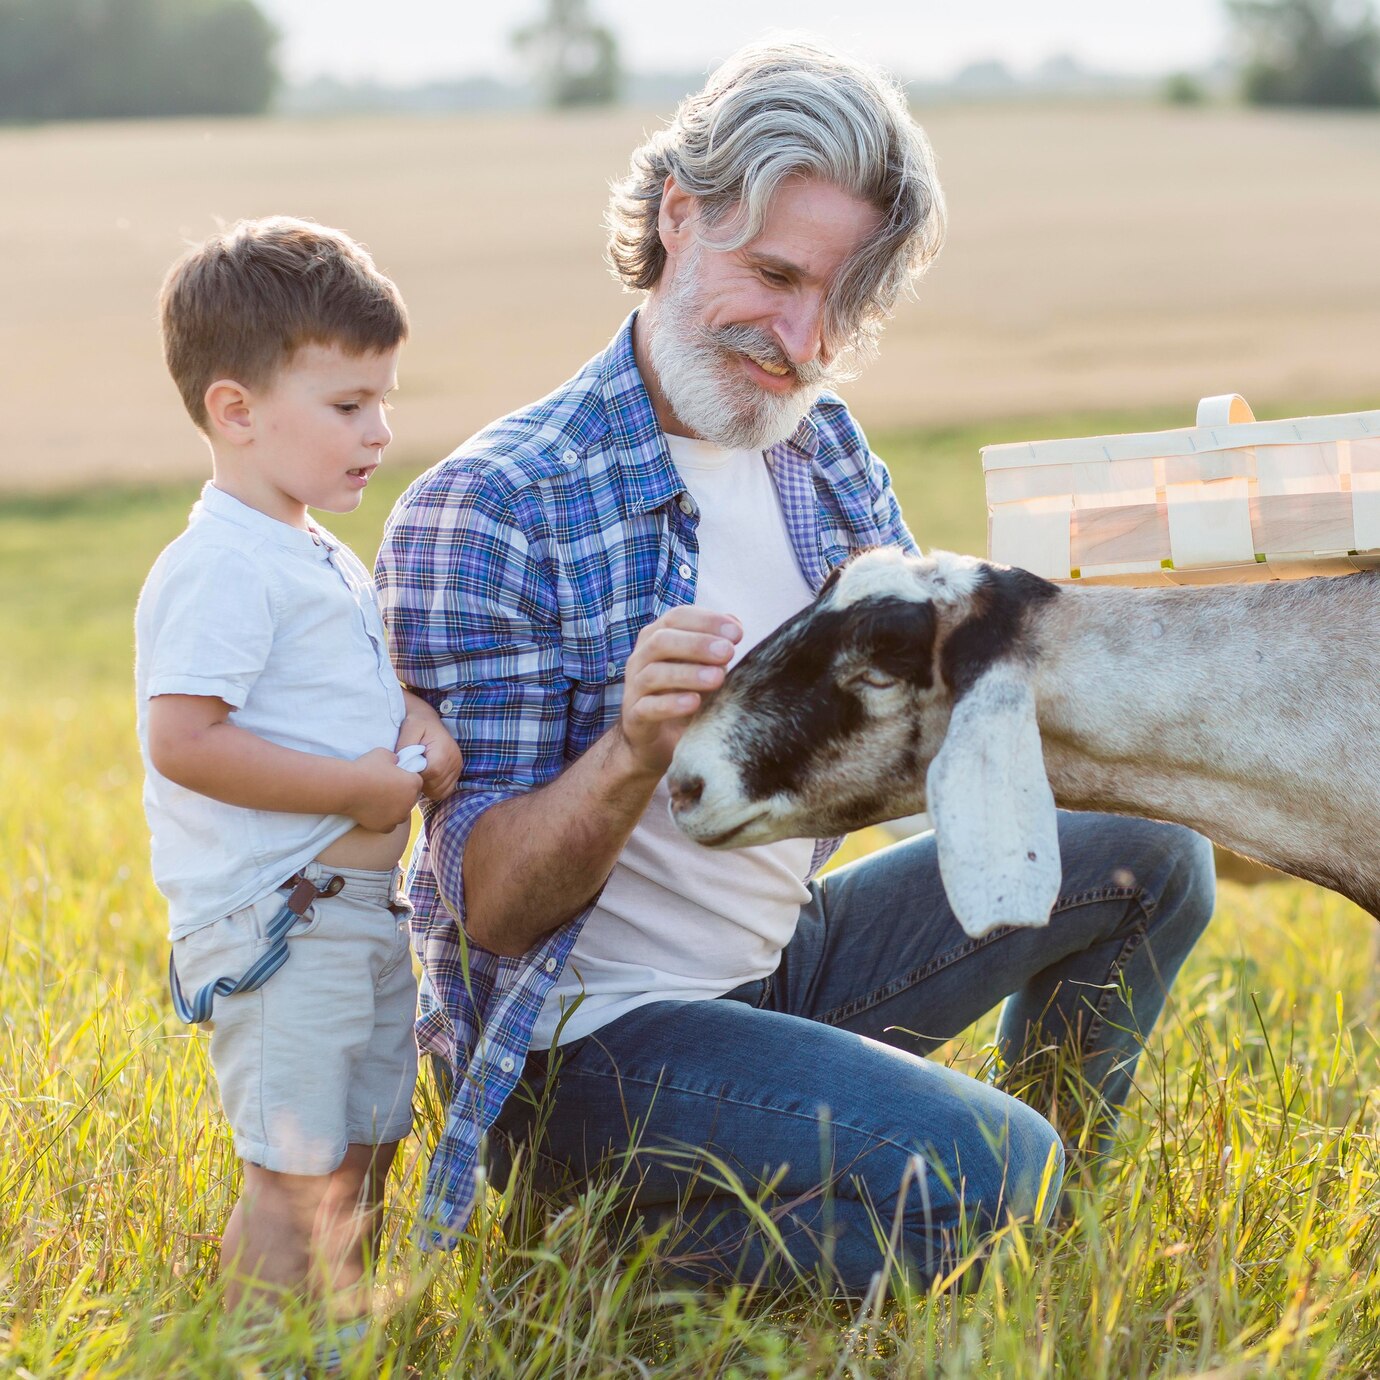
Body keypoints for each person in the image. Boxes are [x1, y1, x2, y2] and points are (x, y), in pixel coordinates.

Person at [377, 40, 1215, 1292]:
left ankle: (1041, 1248)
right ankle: (588, 1269)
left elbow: (916, 726)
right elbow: (491, 910)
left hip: (780, 969)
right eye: (774, 275)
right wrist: (630, 753)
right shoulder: (494, 505)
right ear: (678, 216)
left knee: (1154, 860)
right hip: (586, 1044)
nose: (803, 341)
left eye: (845, 304)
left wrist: (1049, 634)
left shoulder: (816, 454)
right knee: (1000, 1173)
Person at [135, 218, 462, 1343]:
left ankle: (337, 1340)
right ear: (235, 411)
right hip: (287, 920)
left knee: (365, 1144)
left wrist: (413, 725)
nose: (379, 431)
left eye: (383, 400)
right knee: (297, 1168)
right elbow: (184, 738)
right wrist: (357, 791)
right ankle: (259, 1358)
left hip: (357, 915)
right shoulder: (221, 563)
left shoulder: (314, 547)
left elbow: (356, 692)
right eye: (346, 406)